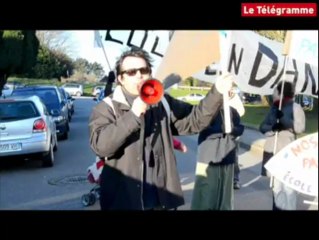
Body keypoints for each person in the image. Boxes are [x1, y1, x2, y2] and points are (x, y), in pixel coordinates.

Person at [89, 48, 234, 210]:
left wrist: (217, 92)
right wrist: (133, 115)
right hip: (124, 201)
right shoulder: (106, 108)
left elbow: (194, 120)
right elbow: (101, 147)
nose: (139, 75)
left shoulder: (162, 102)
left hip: (160, 199)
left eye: (144, 70)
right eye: (131, 72)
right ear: (120, 78)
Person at [191, 97, 244, 210]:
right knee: (205, 192)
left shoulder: (232, 111)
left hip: (227, 155)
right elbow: (201, 127)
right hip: (208, 157)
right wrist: (221, 129)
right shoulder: (206, 110)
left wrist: (233, 129)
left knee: (225, 193)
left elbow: (240, 128)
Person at [259, 81, 305, 210]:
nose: (273, 93)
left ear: (281, 92)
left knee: (289, 190)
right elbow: (262, 126)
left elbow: (300, 128)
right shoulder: (274, 108)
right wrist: (273, 128)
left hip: (287, 154)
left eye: (276, 91)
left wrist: (284, 120)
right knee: (276, 188)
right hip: (273, 153)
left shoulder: (296, 107)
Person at [228, 87, 245, 190]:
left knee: (234, 158)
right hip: (220, 133)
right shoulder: (219, 97)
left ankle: (235, 179)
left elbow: (242, 111)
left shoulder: (235, 99)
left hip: (233, 133)